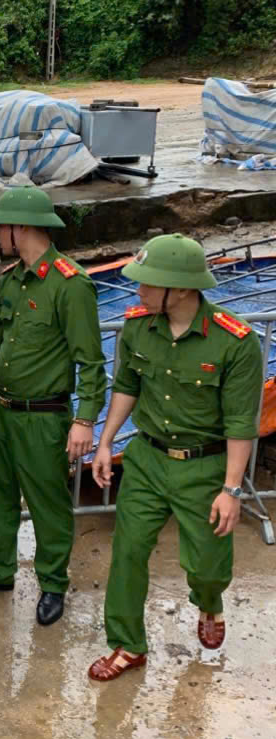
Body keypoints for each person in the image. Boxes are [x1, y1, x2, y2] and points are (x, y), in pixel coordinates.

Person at [89, 234, 263, 681]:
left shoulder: (234, 342)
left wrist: (230, 489)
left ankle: (209, 601)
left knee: (206, 566)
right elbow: (126, 386)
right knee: (127, 552)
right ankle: (127, 644)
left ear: (182, 289)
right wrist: (106, 441)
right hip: (147, 459)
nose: (138, 291)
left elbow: (241, 422)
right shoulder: (136, 326)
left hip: (205, 467)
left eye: (148, 284)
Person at [0, 187, 106, 627]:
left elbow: (91, 361)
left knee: (48, 505)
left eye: (2, 226)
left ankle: (52, 582)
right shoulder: (10, 281)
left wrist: (85, 419)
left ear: (22, 228)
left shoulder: (70, 286)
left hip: (43, 415)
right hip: (1, 410)